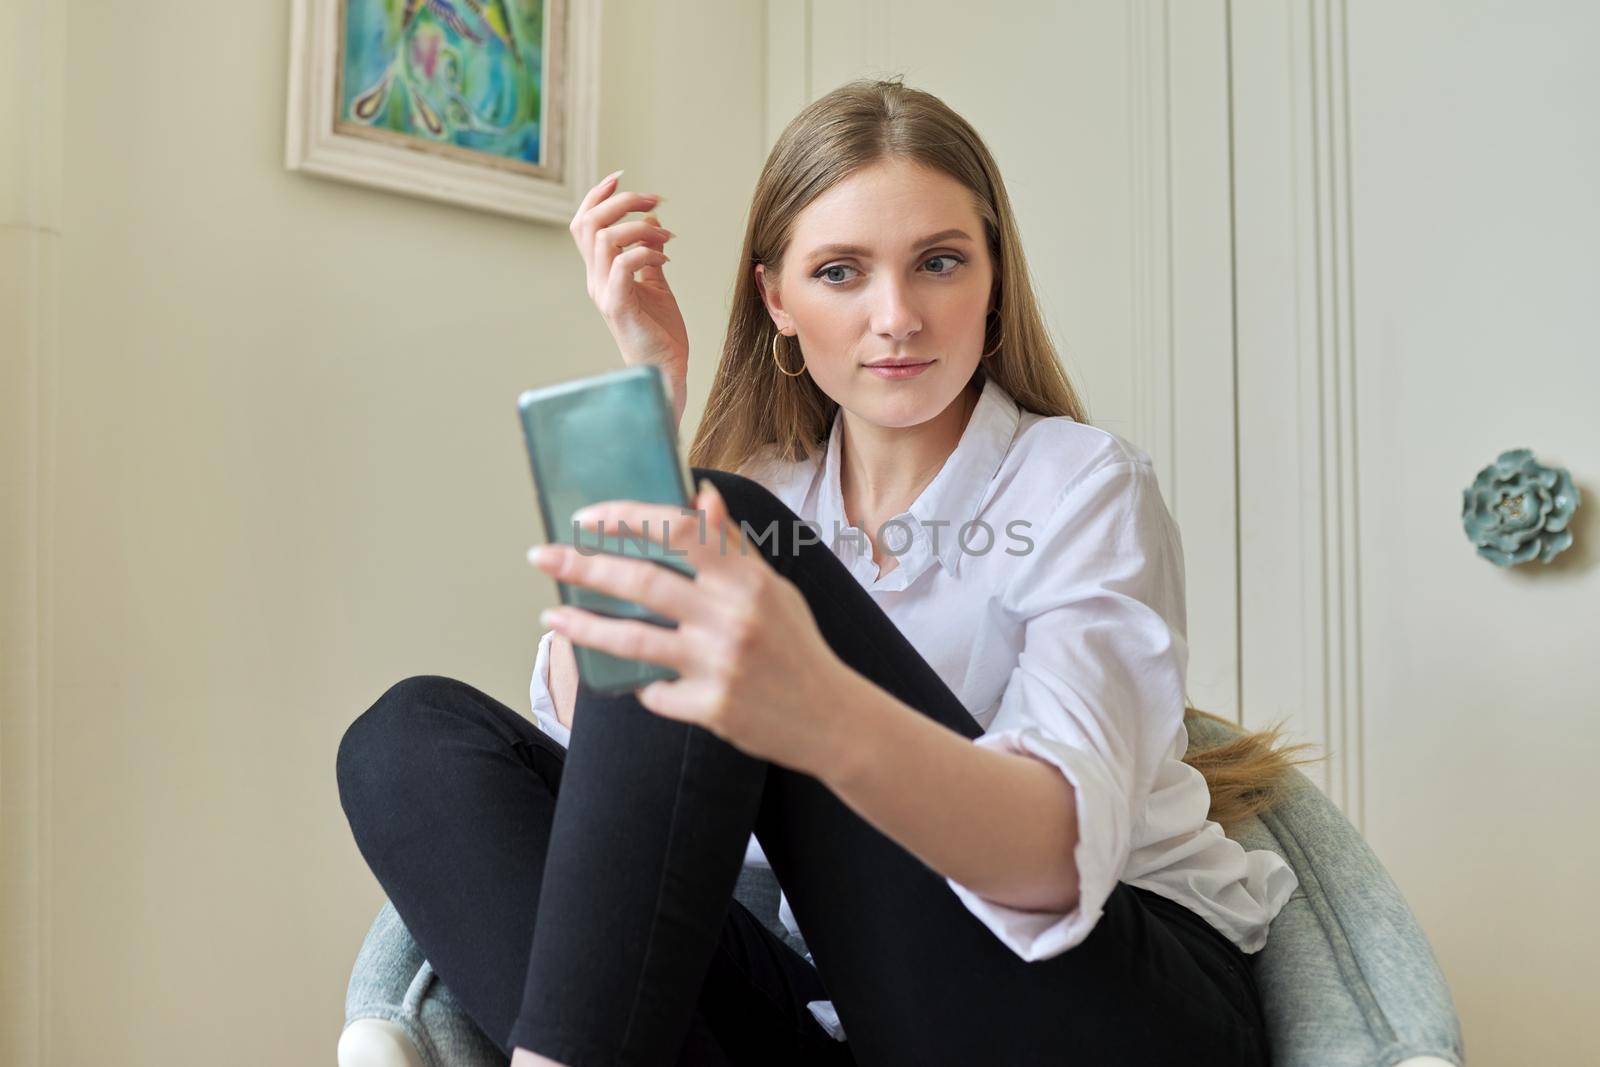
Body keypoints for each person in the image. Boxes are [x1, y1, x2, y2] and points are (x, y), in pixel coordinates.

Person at [336, 77, 1318, 1067]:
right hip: (847, 1012)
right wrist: (647, 411)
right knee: (408, 741)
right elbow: (607, 763)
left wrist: (811, 702)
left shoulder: (1083, 486)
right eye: (841, 272)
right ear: (778, 299)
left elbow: (1054, 860)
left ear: (993, 280)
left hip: (1103, 998)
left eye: (938, 262)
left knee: (729, 540)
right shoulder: (767, 495)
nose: (896, 316)